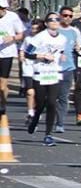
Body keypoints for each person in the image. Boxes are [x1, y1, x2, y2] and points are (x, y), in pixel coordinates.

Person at [24, 12, 67, 147]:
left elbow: (60, 52)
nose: (55, 22)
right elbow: (27, 53)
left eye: (57, 19)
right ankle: (35, 119)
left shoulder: (63, 39)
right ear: (46, 23)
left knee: (52, 103)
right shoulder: (39, 38)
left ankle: (48, 135)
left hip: (54, 74)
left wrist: (61, 56)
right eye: (51, 20)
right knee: (41, 104)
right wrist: (41, 56)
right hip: (40, 73)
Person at [56, 7, 81, 133]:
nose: (67, 18)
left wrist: (79, 48)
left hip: (68, 68)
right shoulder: (54, 30)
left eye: (70, 16)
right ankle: (37, 115)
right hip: (52, 69)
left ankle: (60, 123)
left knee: (63, 97)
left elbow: (80, 48)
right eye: (65, 15)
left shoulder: (74, 32)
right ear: (60, 16)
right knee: (50, 98)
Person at [0, 0, 26, 115]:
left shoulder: (12, 17)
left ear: (4, 8)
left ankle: (3, 106)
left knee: (2, 84)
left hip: (6, 53)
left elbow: (21, 34)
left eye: (1, 8)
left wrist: (12, 38)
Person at [19, 19, 43, 128]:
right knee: (30, 92)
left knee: (40, 95)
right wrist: (21, 55)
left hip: (41, 68)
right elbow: (23, 50)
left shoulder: (44, 39)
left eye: (35, 29)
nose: (33, 31)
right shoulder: (28, 38)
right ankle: (30, 113)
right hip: (28, 66)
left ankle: (37, 111)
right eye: (32, 28)